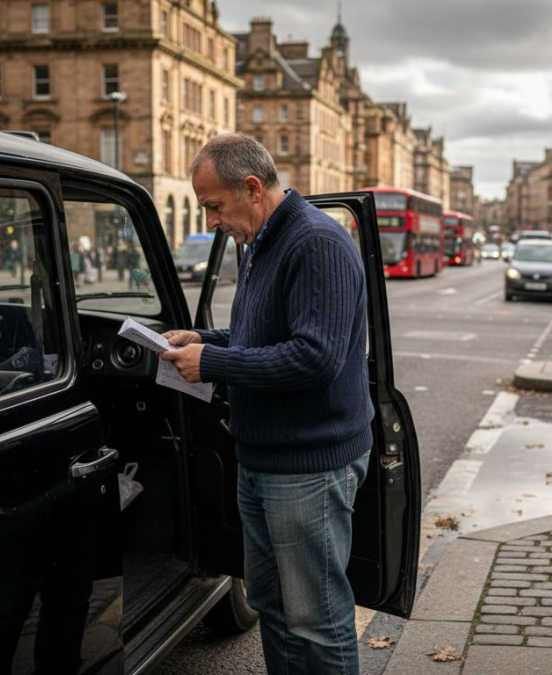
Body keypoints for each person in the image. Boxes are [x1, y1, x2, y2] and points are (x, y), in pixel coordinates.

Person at [159, 134, 373, 675]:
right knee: (272, 609)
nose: (211, 220)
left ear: (252, 188)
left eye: (214, 205)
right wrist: (203, 339)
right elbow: (263, 335)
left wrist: (211, 364)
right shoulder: (262, 241)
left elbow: (313, 358)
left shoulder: (315, 242)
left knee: (317, 623)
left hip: (309, 468)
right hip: (262, 460)